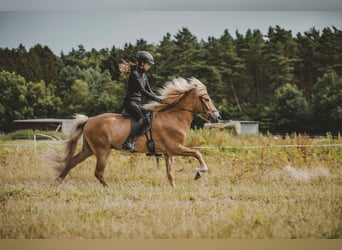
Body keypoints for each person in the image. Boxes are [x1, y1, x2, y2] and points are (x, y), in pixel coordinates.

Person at [120, 51, 164, 153]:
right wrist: (157, 99)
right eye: (149, 64)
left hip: (137, 103)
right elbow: (142, 91)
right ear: (142, 63)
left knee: (149, 116)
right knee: (141, 119)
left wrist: (160, 99)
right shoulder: (135, 74)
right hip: (130, 102)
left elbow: (150, 91)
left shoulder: (144, 76)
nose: (149, 66)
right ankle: (127, 142)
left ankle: (147, 142)